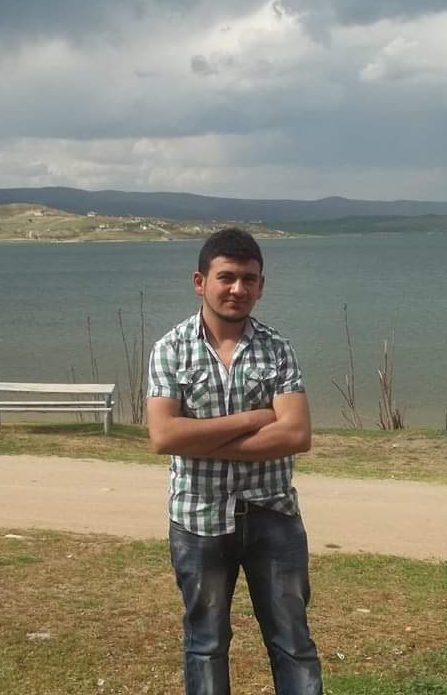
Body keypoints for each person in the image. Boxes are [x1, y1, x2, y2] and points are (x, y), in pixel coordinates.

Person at [146, 228, 323, 695]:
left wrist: (199, 439)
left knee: (292, 641)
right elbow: (164, 435)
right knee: (205, 643)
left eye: (249, 279)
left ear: (261, 285)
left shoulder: (277, 349)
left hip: (273, 513)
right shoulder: (170, 349)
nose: (237, 289)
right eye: (226, 277)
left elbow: (296, 434)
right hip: (198, 517)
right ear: (200, 282)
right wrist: (252, 419)